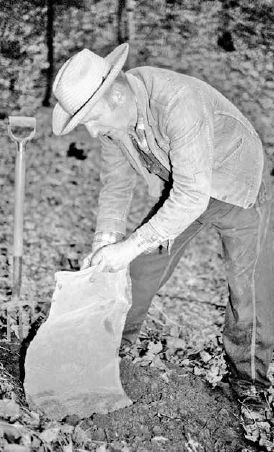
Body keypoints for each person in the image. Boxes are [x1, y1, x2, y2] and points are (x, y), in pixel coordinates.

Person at [52, 43, 274, 414]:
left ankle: (249, 381)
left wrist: (131, 243)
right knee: (140, 269)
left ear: (118, 95)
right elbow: (116, 187)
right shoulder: (114, 123)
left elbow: (192, 196)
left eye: (91, 117)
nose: (91, 131)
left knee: (248, 288)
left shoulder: (177, 102)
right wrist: (107, 243)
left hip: (237, 185)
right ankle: (113, 346)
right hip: (182, 188)